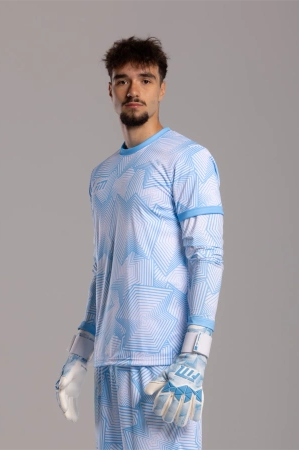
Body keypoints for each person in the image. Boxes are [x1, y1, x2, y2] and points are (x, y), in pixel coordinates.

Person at [55, 36, 224, 450]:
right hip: (110, 363)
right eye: (122, 80)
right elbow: (103, 269)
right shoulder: (102, 176)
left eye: (145, 80)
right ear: (110, 90)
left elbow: (207, 257)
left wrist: (195, 356)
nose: (134, 90)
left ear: (162, 88)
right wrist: (81, 352)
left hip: (164, 367)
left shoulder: (189, 159)